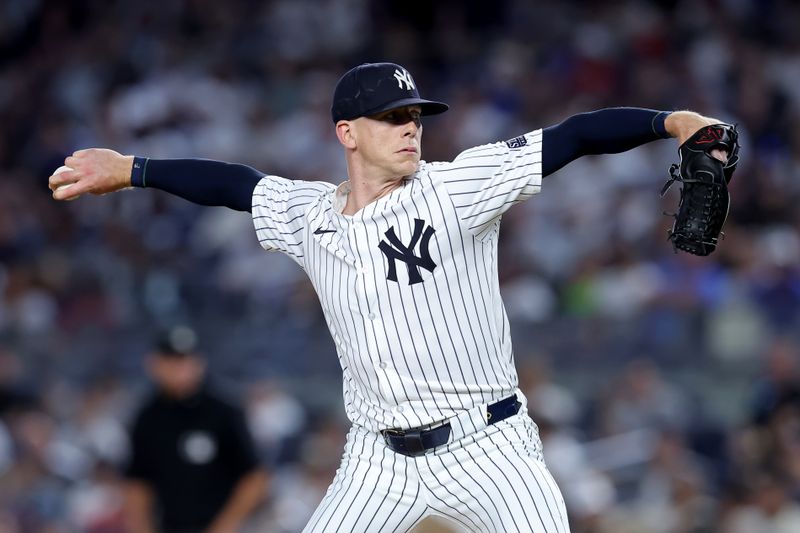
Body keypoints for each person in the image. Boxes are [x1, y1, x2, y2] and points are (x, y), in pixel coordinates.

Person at [50, 62, 733, 532]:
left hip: (488, 445)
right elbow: (232, 183)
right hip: (376, 459)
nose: (411, 126)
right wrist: (133, 170)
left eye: (415, 114)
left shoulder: (457, 187)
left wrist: (671, 122)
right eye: (390, 116)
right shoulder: (308, 213)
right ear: (347, 133)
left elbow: (575, 136)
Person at [123, 325, 267, 533]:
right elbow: (137, 483)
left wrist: (224, 527)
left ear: (200, 363)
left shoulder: (223, 412)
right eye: (172, 360)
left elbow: (254, 478)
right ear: (154, 364)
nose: (180, 369)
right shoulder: (147, 418)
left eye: (185, 360)